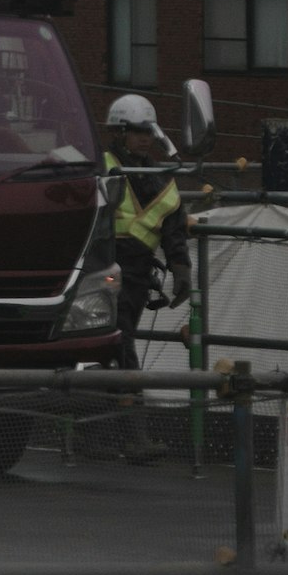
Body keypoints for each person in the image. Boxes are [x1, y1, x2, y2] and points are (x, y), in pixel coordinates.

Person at [100, 93, 192, 460]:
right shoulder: (103, 166)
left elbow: (174, 230)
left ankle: (114, 436)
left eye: (148, 132)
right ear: (120, 132)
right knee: (116, 347)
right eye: (136, 132)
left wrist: (181, 269)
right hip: (102, 267)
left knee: (119, 346)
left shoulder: (162, 182)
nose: (144, 138)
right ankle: (128, 437)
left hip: (135, 276)